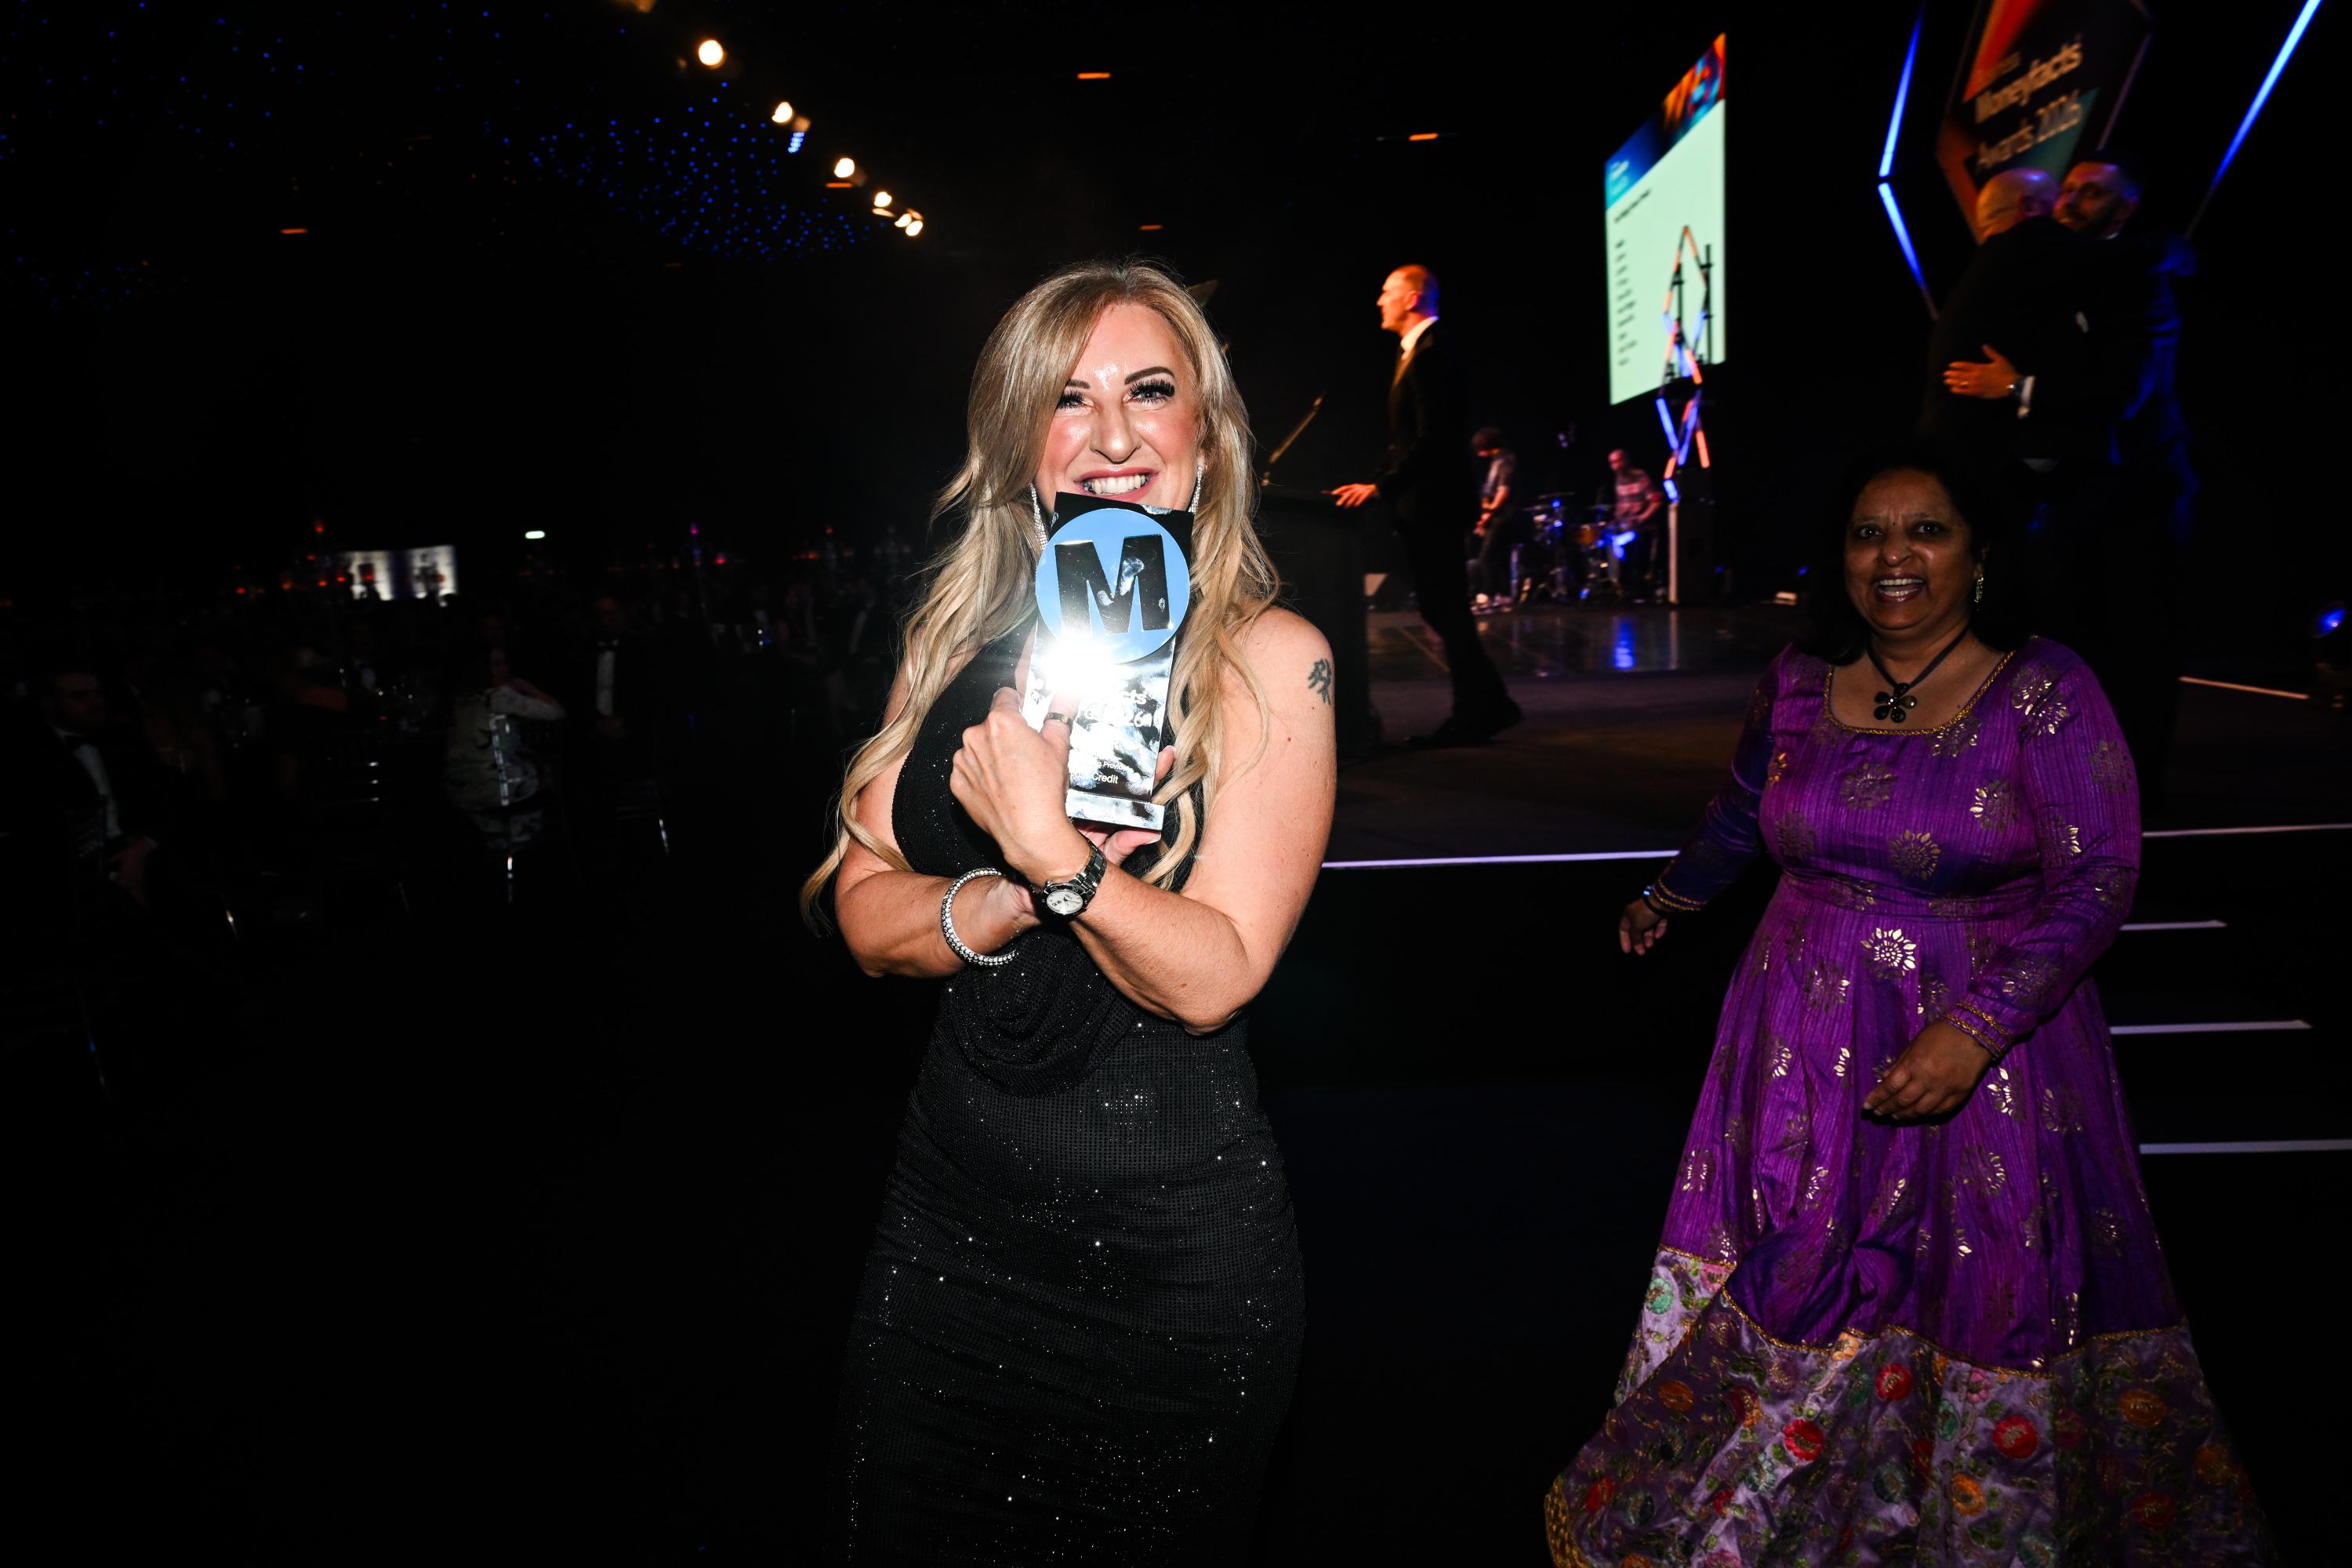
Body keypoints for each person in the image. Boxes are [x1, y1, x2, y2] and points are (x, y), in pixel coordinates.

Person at [1541, 442, 2271, 1565]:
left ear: (1979, 554)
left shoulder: (2045, 689)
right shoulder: (1797, 677)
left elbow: (2098, 879)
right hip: (1793, 1032)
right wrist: (1670, 895)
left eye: (1926, 530)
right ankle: (1774, 1520)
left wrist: (1974, 1030)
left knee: (1977, 1286)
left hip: (1991, 1050)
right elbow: (1742, 809)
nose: (1894, 556)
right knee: (1798, 1267)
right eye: (1869, 533)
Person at [804, 260, 1336, 1562]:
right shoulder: (947, 647)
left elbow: (1216, 974)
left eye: (1148, 392)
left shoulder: (1275, 660)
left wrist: (1057, 857)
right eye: (1066, 398)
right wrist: (998, 896)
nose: (1110, 435)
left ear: (1205, 434)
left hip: (1174, 1269)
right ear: (1019, 447)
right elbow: (862, 915)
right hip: (948, 1240)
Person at [2057, 151, 2196, 800]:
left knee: (2139, 644)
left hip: (2142, 490)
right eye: (2068, 188)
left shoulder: (2140, 267)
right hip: (2088, 492)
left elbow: (2127, 392)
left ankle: (2136, 787)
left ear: (2127, 205)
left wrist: (2023, 389)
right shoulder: (2073, 268)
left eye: (2090, 191)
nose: (2070, 201)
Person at [1334, 265, 1519, 744]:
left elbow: (1434, 439)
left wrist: (1381, 487)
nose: (1380, 300)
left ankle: (1476, 713)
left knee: (1447, 609)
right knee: (1443, 609)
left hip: (1436, 505)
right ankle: (1490, 705)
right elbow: (1405, 441)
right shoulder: (1414, 352)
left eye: (1387, 291)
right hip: (1423, 504)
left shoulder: (1434, 352)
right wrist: (1377, 482)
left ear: (1413, 298)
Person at [1605, 448, 1664, 600]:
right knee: (1608, 535)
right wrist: (1616, 518)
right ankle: (1617, 580)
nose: (1616, 466)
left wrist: (1643, 517)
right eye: (1612, 463)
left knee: (1619, 541)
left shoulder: (1641, 477)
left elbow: (1656, 500)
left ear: (1626, 461)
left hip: (1641, 526)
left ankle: (1624, 579)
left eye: (1618, 461)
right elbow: (1621, 505)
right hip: (1625, 525)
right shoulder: (1619, 481)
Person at [1471, 426, 1519, 609]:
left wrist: (1490, 512)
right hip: (1496, 515)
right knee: (1499, 556)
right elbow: (1490, 490)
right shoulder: (1497, 461)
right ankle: (1504, 595)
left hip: (1502, 515)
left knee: (1486, 556)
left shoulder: (1505, 460)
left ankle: (1488, 594)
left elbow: (1503, 491)